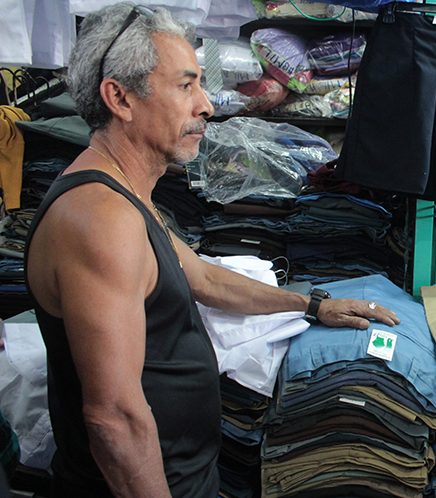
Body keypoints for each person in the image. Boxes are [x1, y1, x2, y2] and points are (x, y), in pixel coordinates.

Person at [23, 3, 399, 497]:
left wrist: (311, 305)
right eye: (186, 86)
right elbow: (114, 418)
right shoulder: (101, 219)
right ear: (120, 98)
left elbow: (203, 277)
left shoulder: (125, 197)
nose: (207, 106)